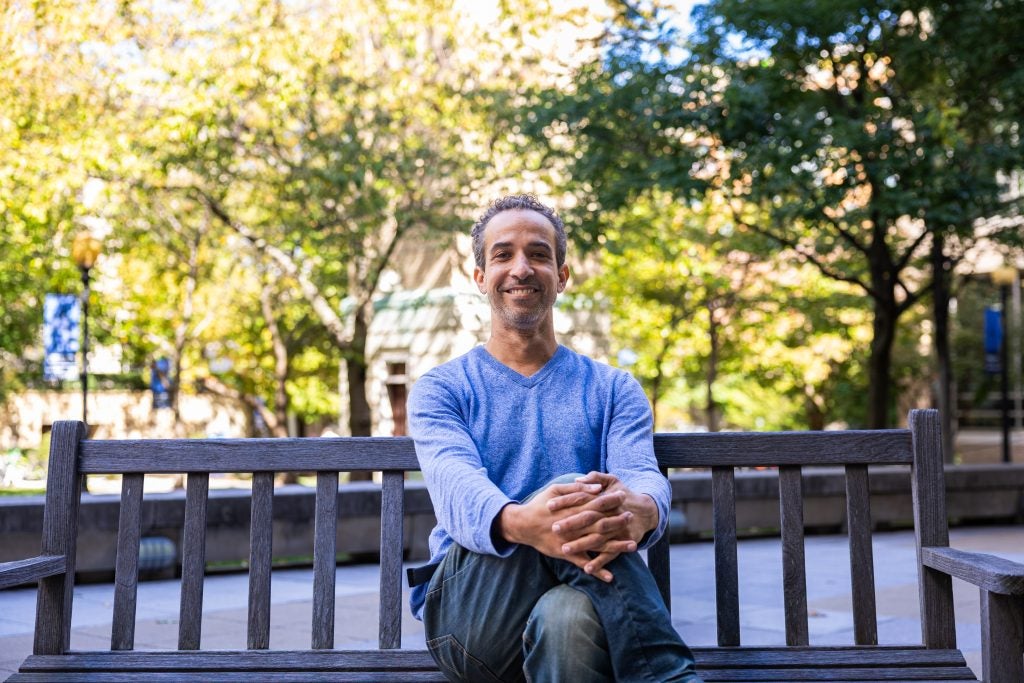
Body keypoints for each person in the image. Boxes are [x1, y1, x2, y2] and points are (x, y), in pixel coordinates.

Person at [407, 194, 701, 682]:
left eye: (539, 254)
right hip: (471, 618)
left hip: (584, 598)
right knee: (573, 490)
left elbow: (639, 475)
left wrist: (645, 508)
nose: (521, 268)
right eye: (503, 255)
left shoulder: (614, 389)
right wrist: (525, 522)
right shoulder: (442, 388)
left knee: (569, 619)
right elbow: (456, 487)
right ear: (480, 277)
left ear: (562, 276)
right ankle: (666, 674)